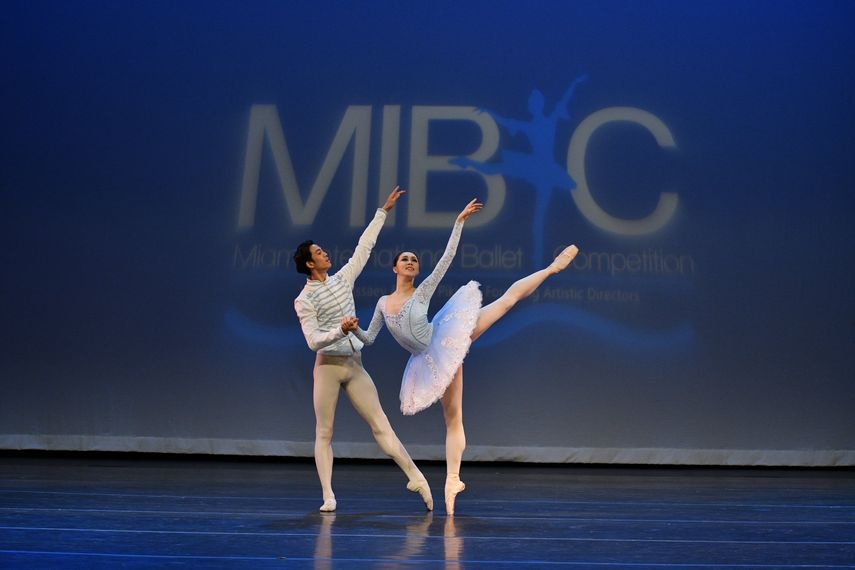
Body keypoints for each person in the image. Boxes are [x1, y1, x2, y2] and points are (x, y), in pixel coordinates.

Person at [355, 199, 579, 514]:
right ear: (394, 268)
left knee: (506, 301)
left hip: (444, 339)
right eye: (404, 259)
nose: (410, 262)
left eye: (414, 260)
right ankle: (452, 482)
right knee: (453, 419)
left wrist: (458, 222)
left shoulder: (422, 291)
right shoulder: (382, 303)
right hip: (428, 360)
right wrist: (351, 330)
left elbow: (447, 258)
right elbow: (369, 337)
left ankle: (552, 268)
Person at [293, 185, 433, 513]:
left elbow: (364, 247)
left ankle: (417, 477)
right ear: (310, 264)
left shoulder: (342, 279)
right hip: (327, 366)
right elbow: (313, 340)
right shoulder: (304, 300)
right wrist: (338, 330)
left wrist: (383, 210)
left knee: (380, 422)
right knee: (324, 430)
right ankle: (328, 495)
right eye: (320, 252)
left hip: (354, 364)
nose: (326, 254)